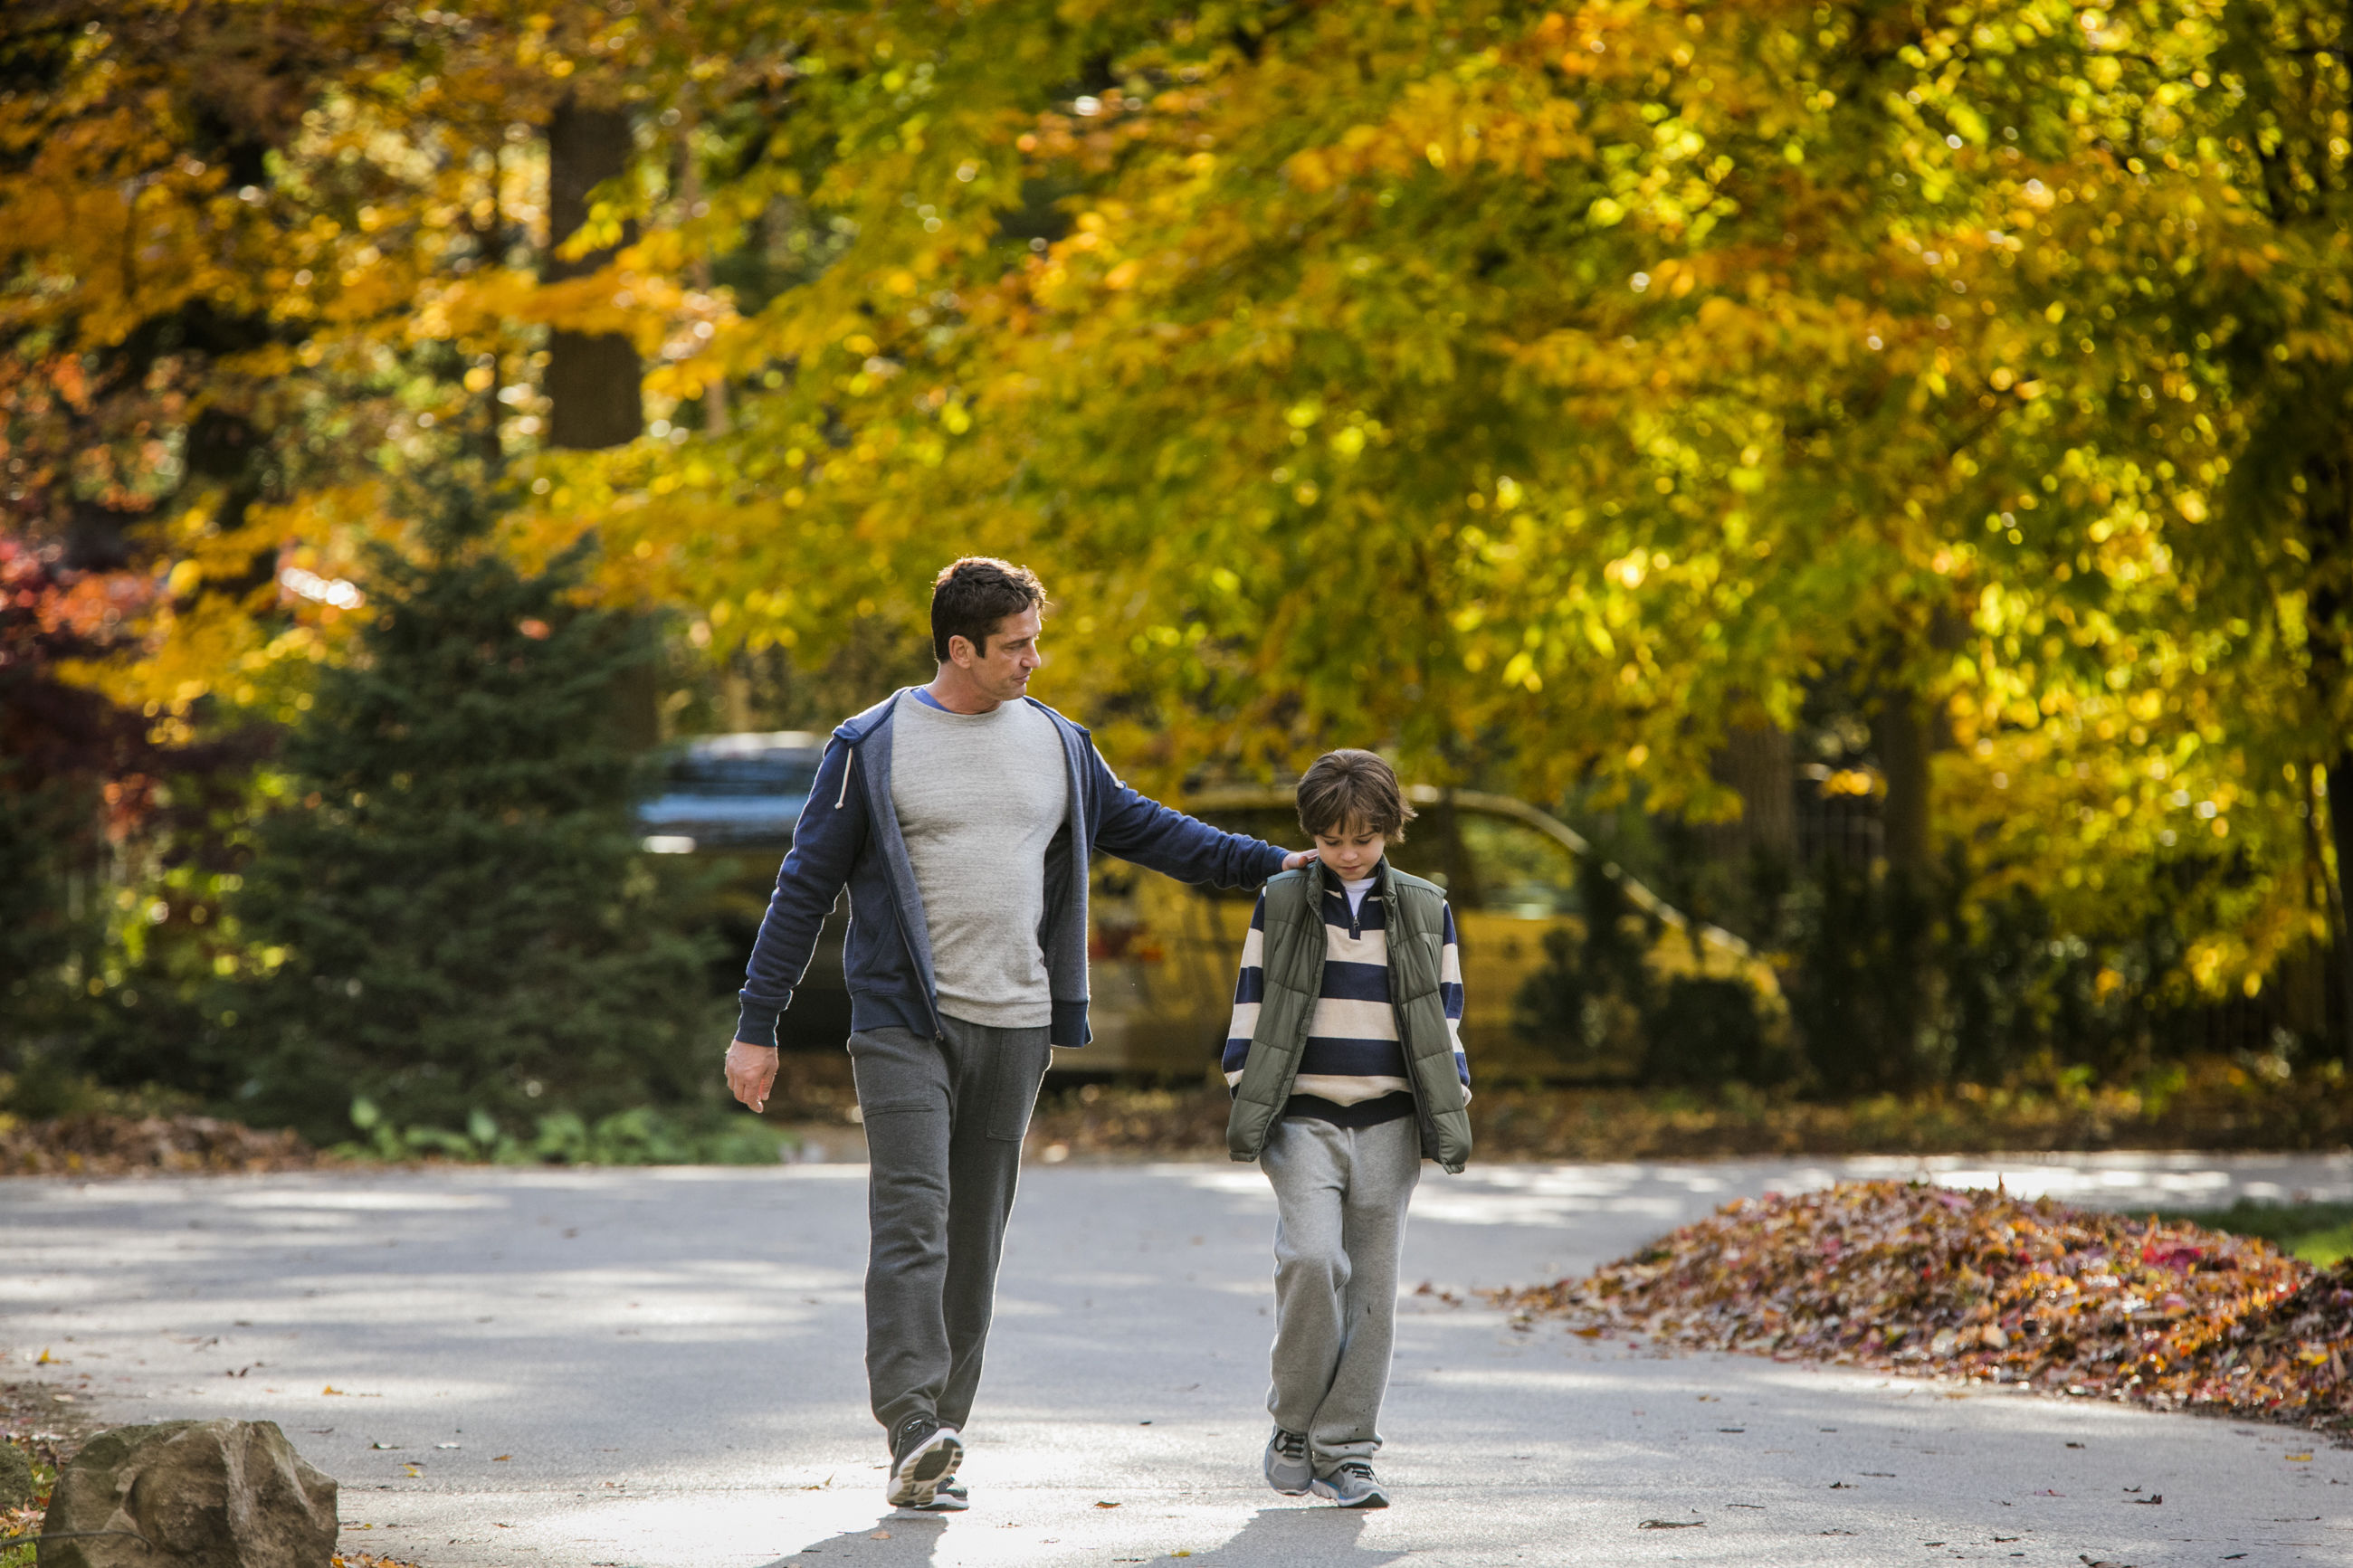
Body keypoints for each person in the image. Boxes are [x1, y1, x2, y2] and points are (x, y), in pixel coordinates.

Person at [723, 557, 1315, 1511]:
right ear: (960, 648)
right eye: (1017, 644)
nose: (1034, 659)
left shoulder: (1057, 742)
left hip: (1016, 1020)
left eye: (1036, 639)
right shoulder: (869, 745)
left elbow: (1148, 828)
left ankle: (937, 1445)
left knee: (973, 1233)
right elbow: (804, 885)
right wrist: (759, 1023)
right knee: (912, 1219)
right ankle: (912, 1422)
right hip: (902, 1018)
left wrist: (1270, 862)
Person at [1220, 749, 1473, 1510]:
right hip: (1303, 1119)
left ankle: (1348, 1449)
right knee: (1309, 1257)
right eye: (1331, 839)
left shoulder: (1429, 907)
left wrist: (1447, 1095)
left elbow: (1446, 1016)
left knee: (1373, 1288)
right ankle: (1295, 1423)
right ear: (1313, 837)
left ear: (1392, 828)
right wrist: (1247, 1085)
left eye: (1364, 836)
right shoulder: (1284, 898)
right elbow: (1252, 1001)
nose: (1349, 852)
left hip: (1390, 1121)